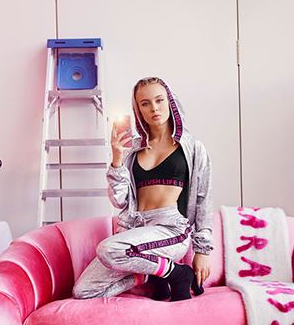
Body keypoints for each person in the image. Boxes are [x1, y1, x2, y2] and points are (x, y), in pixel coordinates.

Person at [73, 76, 213, 302]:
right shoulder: (132, 150)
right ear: (138, 110)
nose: (154, 108)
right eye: (145, 103)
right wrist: (117, 160)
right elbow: (119, 201)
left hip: (171, 229)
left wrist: (202, 251)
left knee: (108, 249)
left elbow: (203, 199)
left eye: (159, 100)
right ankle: (154, 275)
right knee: (83, 291)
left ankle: (179, 274)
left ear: (170, 102)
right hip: (135, 231)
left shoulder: (192, 147)